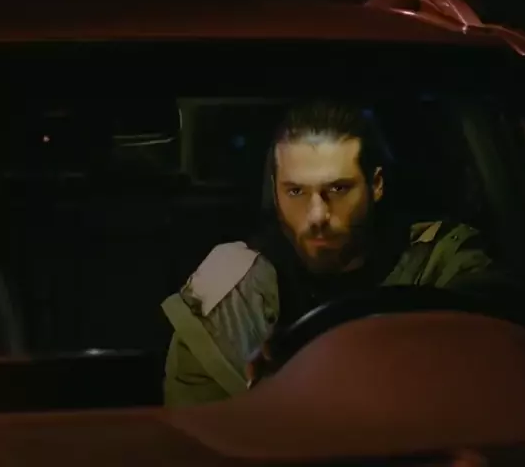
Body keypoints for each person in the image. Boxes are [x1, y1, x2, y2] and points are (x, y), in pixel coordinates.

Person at [161, 99, 505, 407]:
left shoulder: (438, 260)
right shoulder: (231, 293)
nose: (317, 216)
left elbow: (499, 338)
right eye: (296, 191)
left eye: (338, 189)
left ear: (376, 185)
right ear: (275, 191)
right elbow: (198, 434)